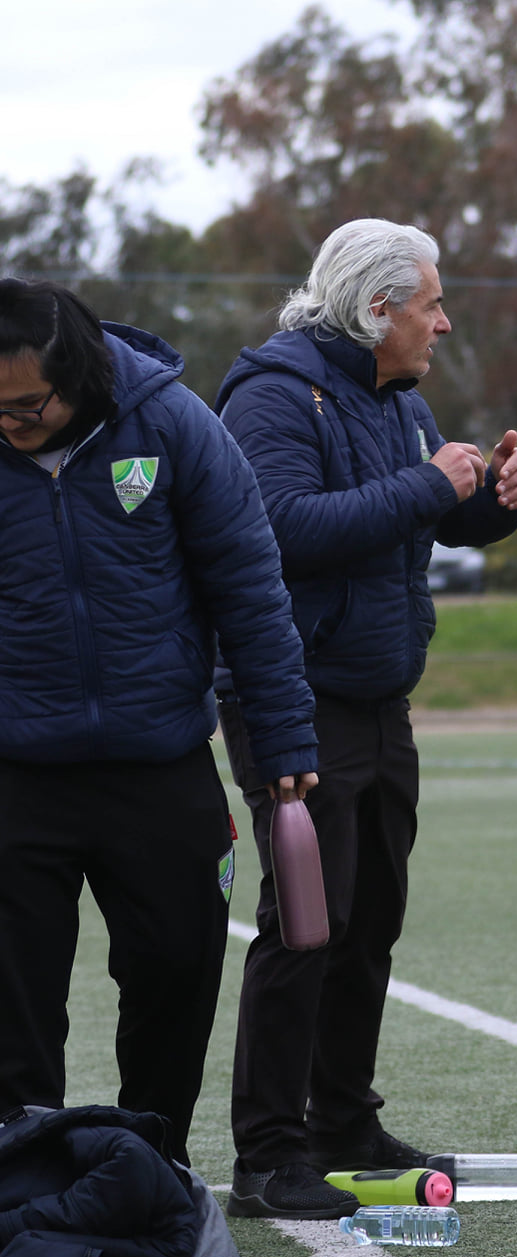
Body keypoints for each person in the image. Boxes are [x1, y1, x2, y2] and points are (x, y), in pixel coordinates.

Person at [214, 219, 517, 1219]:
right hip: (292, 697)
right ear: (378, 308)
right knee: (306, 925)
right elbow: (277, 531)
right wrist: (425, 482)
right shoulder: (272, 395)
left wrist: (496, 501)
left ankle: (342, 1121)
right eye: (432, 305)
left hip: (376, 696)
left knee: (370, 922)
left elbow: (429, 515)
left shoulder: (396, 396)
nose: (443, 323)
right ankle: (270, 1155)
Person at [0, 279, 317, 1169]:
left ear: (83, 373)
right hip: (16, 771)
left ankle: (154, 1164)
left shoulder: (173, 424)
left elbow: (251, 585)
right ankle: (20, 1179)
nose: (10, 424)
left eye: (27, 407)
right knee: (13, 997)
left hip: (161, 760)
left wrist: (286, 736)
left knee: (177, 970)